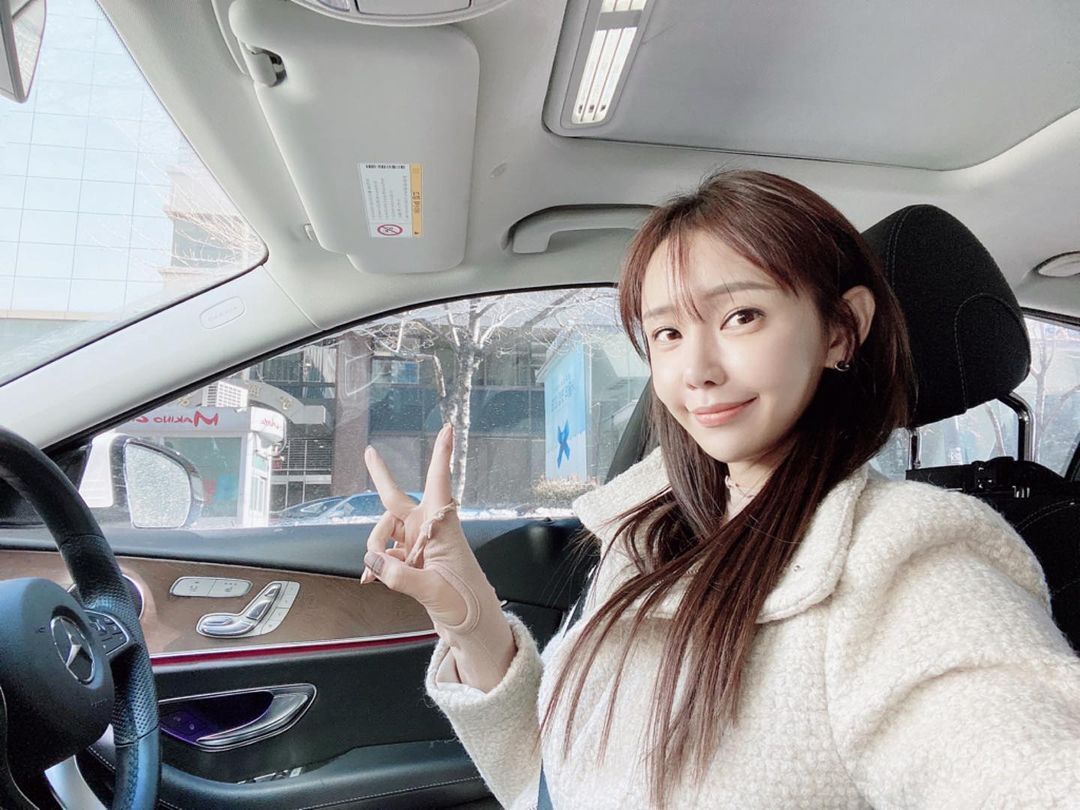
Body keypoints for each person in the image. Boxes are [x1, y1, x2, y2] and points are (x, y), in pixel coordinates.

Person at [359, 170, 1080, 809]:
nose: (696, 370)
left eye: (742, 316)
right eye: (667, 333)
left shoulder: (907, 562)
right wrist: (465, 613)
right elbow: (554, 775)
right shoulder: (652, 531)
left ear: (840, 330)